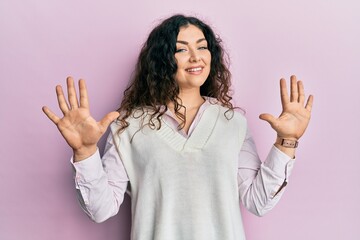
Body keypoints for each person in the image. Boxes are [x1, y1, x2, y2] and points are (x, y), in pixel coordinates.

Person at [42, 14, 313, 240]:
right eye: (181, 49)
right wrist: (86, 152)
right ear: (162, 60)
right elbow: (101, 210)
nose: (196, 57)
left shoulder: (232, 123)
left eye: (202, 46)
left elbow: (259, 201)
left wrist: (286, 141)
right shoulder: (128, 127)